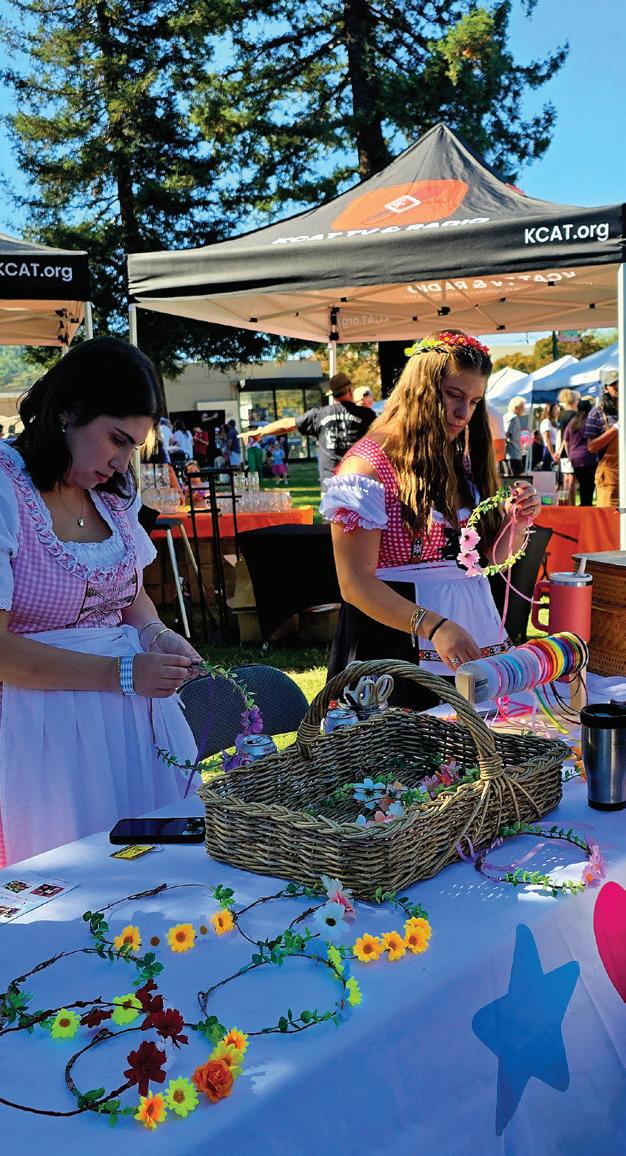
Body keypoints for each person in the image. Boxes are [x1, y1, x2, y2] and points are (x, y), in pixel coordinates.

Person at [0, 337, 200, 866]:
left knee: (155, 868)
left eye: (134, 446)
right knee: (70, 875)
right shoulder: (4, 489)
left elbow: (131, 599)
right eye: (116, 439)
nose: (121, 461)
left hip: (130, 720)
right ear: (68, 411)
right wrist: (124, 673)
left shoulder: (114, 493)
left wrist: (157, 635)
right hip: (38, 728)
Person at [320, 330, 540, 703]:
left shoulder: (458, 462)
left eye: (474, 401)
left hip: (468, 637)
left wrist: (515, 525)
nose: (463, 413)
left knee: (478, 738)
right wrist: (433, 626)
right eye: (454, 395)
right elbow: (354, 583)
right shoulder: (367, 468)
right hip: (396, 648)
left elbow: (487, 562)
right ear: (420, 390)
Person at [243, 373, 376, 483]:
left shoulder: (319, 414)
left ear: (333, 395)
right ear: (350, 391)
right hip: (360, 481)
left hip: (331, 484)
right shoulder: (368, 415)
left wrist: (260, 431)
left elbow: (287, 425)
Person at [585, 371, 619, 507]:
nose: (618, 387)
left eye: (620, 383)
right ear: (606, 388)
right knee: (608, 516)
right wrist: (615, 429)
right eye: (613, 385)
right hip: (610, 478)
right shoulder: (597, 413)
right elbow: (591, 447)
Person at [563, 400, 597, 506]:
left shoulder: (572, 422)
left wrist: (570, 454)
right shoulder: (589, 422)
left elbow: (566, 441)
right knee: (589, 485)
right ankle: (586, 507)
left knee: (583, 484)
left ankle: (583, 506)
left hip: (575, 458)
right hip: (588, 457)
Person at [503, 396, 526, 477]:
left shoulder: (506, 417)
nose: (524, 409)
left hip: (509, 454)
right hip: (513, 454)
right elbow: (506, 434)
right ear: (516, 407)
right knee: (517, 479)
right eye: (522, 406)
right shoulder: (513, 418)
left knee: (509, 479)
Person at [539, 402, 560, 470]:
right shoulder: (546, 422)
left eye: (557, 409)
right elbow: (547, 440)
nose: (557, 411)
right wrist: (552, 454)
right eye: (555, 409)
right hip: (549, 450)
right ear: (550, 411)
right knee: (548, 471)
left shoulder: (553, 422)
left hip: (554, 448)